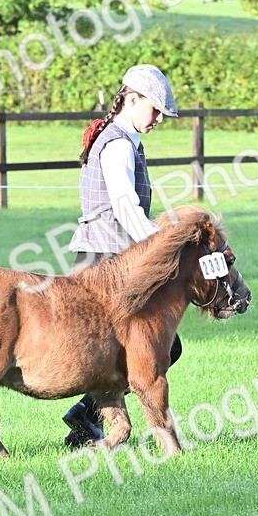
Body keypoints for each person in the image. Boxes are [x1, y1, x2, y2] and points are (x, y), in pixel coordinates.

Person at [61, 64, 183, 447]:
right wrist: (162, 245)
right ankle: (88, 417)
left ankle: (88, 416)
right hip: (106, 258)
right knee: (141, 348)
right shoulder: (117, 144)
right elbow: (125, 206)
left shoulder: (125, 138)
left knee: (157, 346)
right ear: (132, 99)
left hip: (113, 255)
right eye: (155, 110)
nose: (159, 119)